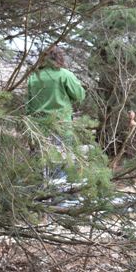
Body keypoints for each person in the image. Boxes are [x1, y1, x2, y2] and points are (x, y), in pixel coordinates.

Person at [27, 46, 85, 183]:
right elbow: (80, 95)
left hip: (38, 128)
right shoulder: (64, 75)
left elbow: (28, 106)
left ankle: (40, 191)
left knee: (40, 164)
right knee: (59, 164)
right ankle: (58, 192)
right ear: (59, 57)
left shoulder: (33, 77)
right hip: (61, 127)